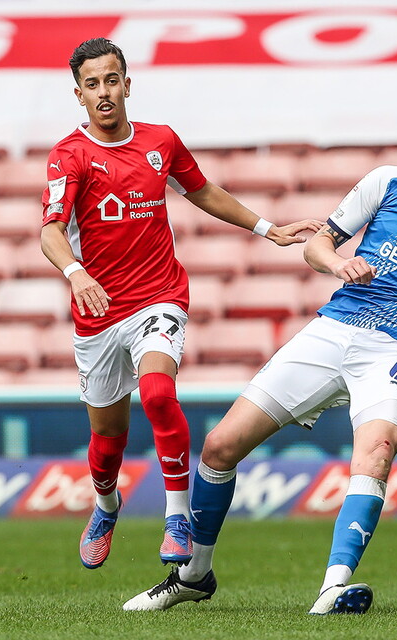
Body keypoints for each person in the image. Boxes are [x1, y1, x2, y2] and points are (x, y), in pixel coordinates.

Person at [122, 93, 397, 614]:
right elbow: (317, 244)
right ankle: (193, 576)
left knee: (376, 453)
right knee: (219, 447)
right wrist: (338, 264)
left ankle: (334, 587)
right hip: (335, 328)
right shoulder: (387, 182)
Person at [39, 38, 321, 571]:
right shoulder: (69, 155)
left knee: (157, 393)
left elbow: (202, 190)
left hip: (159, 296)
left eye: (112, 80)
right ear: (79, 95)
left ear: (128, 84)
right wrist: (76, 273)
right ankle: (106, 505)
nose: (104, 92)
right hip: (100, 312)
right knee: (107, 439)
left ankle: (176, 517)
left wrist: (268, 228)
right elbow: (50, 230)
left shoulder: (161, 141)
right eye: (92, 84)